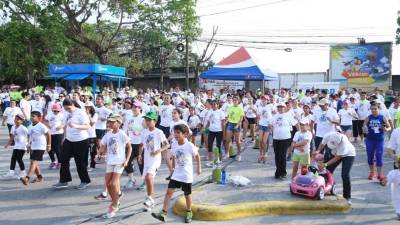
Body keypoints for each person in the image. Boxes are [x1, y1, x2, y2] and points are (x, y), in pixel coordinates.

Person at [151, 124, 201, 223]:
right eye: (175, 133)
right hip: (177, 174)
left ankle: (189, 212)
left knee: (187, 194)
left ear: (185, 134)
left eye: (178, 133)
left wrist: (199, 168)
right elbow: (174, 156)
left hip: (186, 175)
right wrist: (173, 168)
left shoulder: (189, 145)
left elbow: (197, 156)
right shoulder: (174, 144)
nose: (176, 135)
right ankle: (163, 214)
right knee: (169, 192)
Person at [53, 99, 91, 190]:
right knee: (63, 159)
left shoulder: (81, 113)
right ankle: (64, 181)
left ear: (73, 105)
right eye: (66, 109)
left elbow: (87, 126)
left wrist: (77, 126)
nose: (67, 110)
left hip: (81, 140)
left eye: (69, 108)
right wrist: (61, 128)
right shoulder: (66, 113)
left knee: (80, 162)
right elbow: (65, 123)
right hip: (69, 140)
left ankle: (85, 181)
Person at [99, 114, 132, 218]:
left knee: (113, 183)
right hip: (110, 161)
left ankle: (115, 204)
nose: (110, 123)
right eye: (109, 122)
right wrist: (100, 152)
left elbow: (129, 148)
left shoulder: (122, 134)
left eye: (112, 122)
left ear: (119, 123)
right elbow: (103, 145)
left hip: (120, 162)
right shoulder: (107, 134)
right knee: (108, 184)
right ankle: (115, 201)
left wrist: (126, 160)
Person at [139, 111, 170, 211]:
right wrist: (139, 155)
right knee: (149, 180)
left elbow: (167, 144)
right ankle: (151, 200)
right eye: (146, 120)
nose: (147, 122)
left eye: (149, 120)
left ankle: (150, 199)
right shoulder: (144, 132)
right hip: (146, 159)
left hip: (155, 159)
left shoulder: (159, 132)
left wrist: (158, 150)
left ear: (155, 121)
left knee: (148, 177)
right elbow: (141, 145)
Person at [315, 131, 356, 204]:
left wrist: (325, 164)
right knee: (327, 170)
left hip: (349, 155)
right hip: (336, 152)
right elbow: (322, 144)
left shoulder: (344, 143)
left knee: (345, 174)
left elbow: (337, 158)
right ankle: (325, 188)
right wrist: (318, 151)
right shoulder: (328, 135)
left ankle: (347, 197)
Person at [20, 111, 51, 185]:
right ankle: (39, 177)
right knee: (34, 163)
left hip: (40, 146)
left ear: (39, 118)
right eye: (31, 116)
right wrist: (28, 145)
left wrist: (49, 145)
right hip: (33, 146)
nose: (31, 117)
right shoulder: (30, 126)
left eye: (33, 116)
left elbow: (48, 134)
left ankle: (27, 178)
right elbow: (30, 136)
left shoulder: (41, 126)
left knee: (33, 162)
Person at [269, 102, 298, 179]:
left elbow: (296, 124)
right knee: (277, 156)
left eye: (282, 107)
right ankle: (278, 171)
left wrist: (299, 135)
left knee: (282, 155)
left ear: (285, 108)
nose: (280, 108)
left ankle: (283, 172)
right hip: (276, 138)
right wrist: (271, 128)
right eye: (279, 107)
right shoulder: (274, 116)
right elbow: (270, 124)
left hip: (285, 138)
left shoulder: (288, 116)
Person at [364, 103, 391, 181]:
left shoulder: (382, 117)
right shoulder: (368, 118)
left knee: (379, 157)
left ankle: (380, 174)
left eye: (375, 109)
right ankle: (372, 173)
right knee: (370, 157)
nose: (373, 110)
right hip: (370, 140)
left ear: (379, 109)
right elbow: (364, 127)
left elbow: (389, 127)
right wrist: (364, 128)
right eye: (372, 109)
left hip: (379, 140)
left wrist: (386, 129)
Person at [123, 101, 145, 189]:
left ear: (140, 108)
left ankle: (144, 182)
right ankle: (131, 179)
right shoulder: (129, 118)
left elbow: (146, 130)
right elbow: (125, 131)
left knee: (141, 164)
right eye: (133, 107)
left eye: (136, 107)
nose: (134, 108)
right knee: (126, 162)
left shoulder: (143, 118)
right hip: (130, 144)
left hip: (140, 144)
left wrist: (137, 131)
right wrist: (125, 141)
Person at [3, 114, 28, 179]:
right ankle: (11, 172)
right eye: (15, 119)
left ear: (22, 121)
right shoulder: (13, 127)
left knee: (19, 159)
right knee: (13, 158)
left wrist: (29, 145)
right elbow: (12, 136)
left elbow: (29, 135)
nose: (16, 120)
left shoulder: (23, 128)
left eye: (18, 119)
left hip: (23, 146)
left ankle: (23, 172)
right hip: (16, 145)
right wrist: (8, 144)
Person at [45, 104, 65, 170]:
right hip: (50, 133)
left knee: (57, 148)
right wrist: (48, 125)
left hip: (59, 133)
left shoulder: (62, 115)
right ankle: (53, 161)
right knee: (49, 148)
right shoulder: (49, 114)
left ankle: (60, 162)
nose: (56, 112)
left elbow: (64, 123)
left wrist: (61, 126)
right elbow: (45, 120)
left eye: (57, 111)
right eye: (55, 111)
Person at [206, 100, 225, 166]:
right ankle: (210, 161)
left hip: (219, 131)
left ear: (218, 105)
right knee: (210, 145)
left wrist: (223, 132)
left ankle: (219, 160)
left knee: (218, 146)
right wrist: (205, 128)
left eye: (215, 104)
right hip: (211, 130)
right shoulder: (209, 112)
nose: (213, 105)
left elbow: (223, 123)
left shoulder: (221, 112)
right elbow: (208, 122)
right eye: (212, 104)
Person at [225, 96, 244, 161]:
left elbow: (241, 118)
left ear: (238, 101)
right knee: (227, 140)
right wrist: (225, 122)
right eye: (233, 100)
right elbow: (228, 116)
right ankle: (227, 153)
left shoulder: (240, 108)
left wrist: (238, 124)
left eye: (236, 100)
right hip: (230, 124)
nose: (234, 101)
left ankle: (239, 154)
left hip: (237, 124)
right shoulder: (230, 108)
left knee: (237, 141)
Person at [381, 155, 400, 220]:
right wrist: (384, 182)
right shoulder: (394, 173)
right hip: (398, 200)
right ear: (397, 164)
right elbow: (385, 183)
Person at [256, 95, 273, 163]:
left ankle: (265, 154)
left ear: (267, 101)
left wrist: (271, 124)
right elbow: (258, 117)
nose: (264, 100)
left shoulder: (270, 106)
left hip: (267, 126)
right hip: (261, 125)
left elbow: (274, 114)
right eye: (262, 99)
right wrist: (257, 125)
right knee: (260, 140)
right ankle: (260, 154)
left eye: (265, 99)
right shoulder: (259, 107)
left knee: (264, 141)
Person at [95, 95, 112, 161]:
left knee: (100, 143)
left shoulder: (104, 109)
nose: (97, 100)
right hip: (94, 127)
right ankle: (99, 155)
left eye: (99, 99)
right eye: (97, 99)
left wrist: (105, 119)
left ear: (102, 101)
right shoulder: (95, 108)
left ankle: (103, 155)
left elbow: (112, 115)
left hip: (101, 128)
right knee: (96, 143)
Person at [84, 102, 98, 170]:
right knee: (84, 152)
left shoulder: (95, 115)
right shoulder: (83, 114)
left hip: (92, 135)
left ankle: (92, 165)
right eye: (86, 107)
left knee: (92, 152)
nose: (87, 108)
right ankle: (85, 165)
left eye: (89, 107)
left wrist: (88, 116)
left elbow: (92, 124)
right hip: (84, 136)